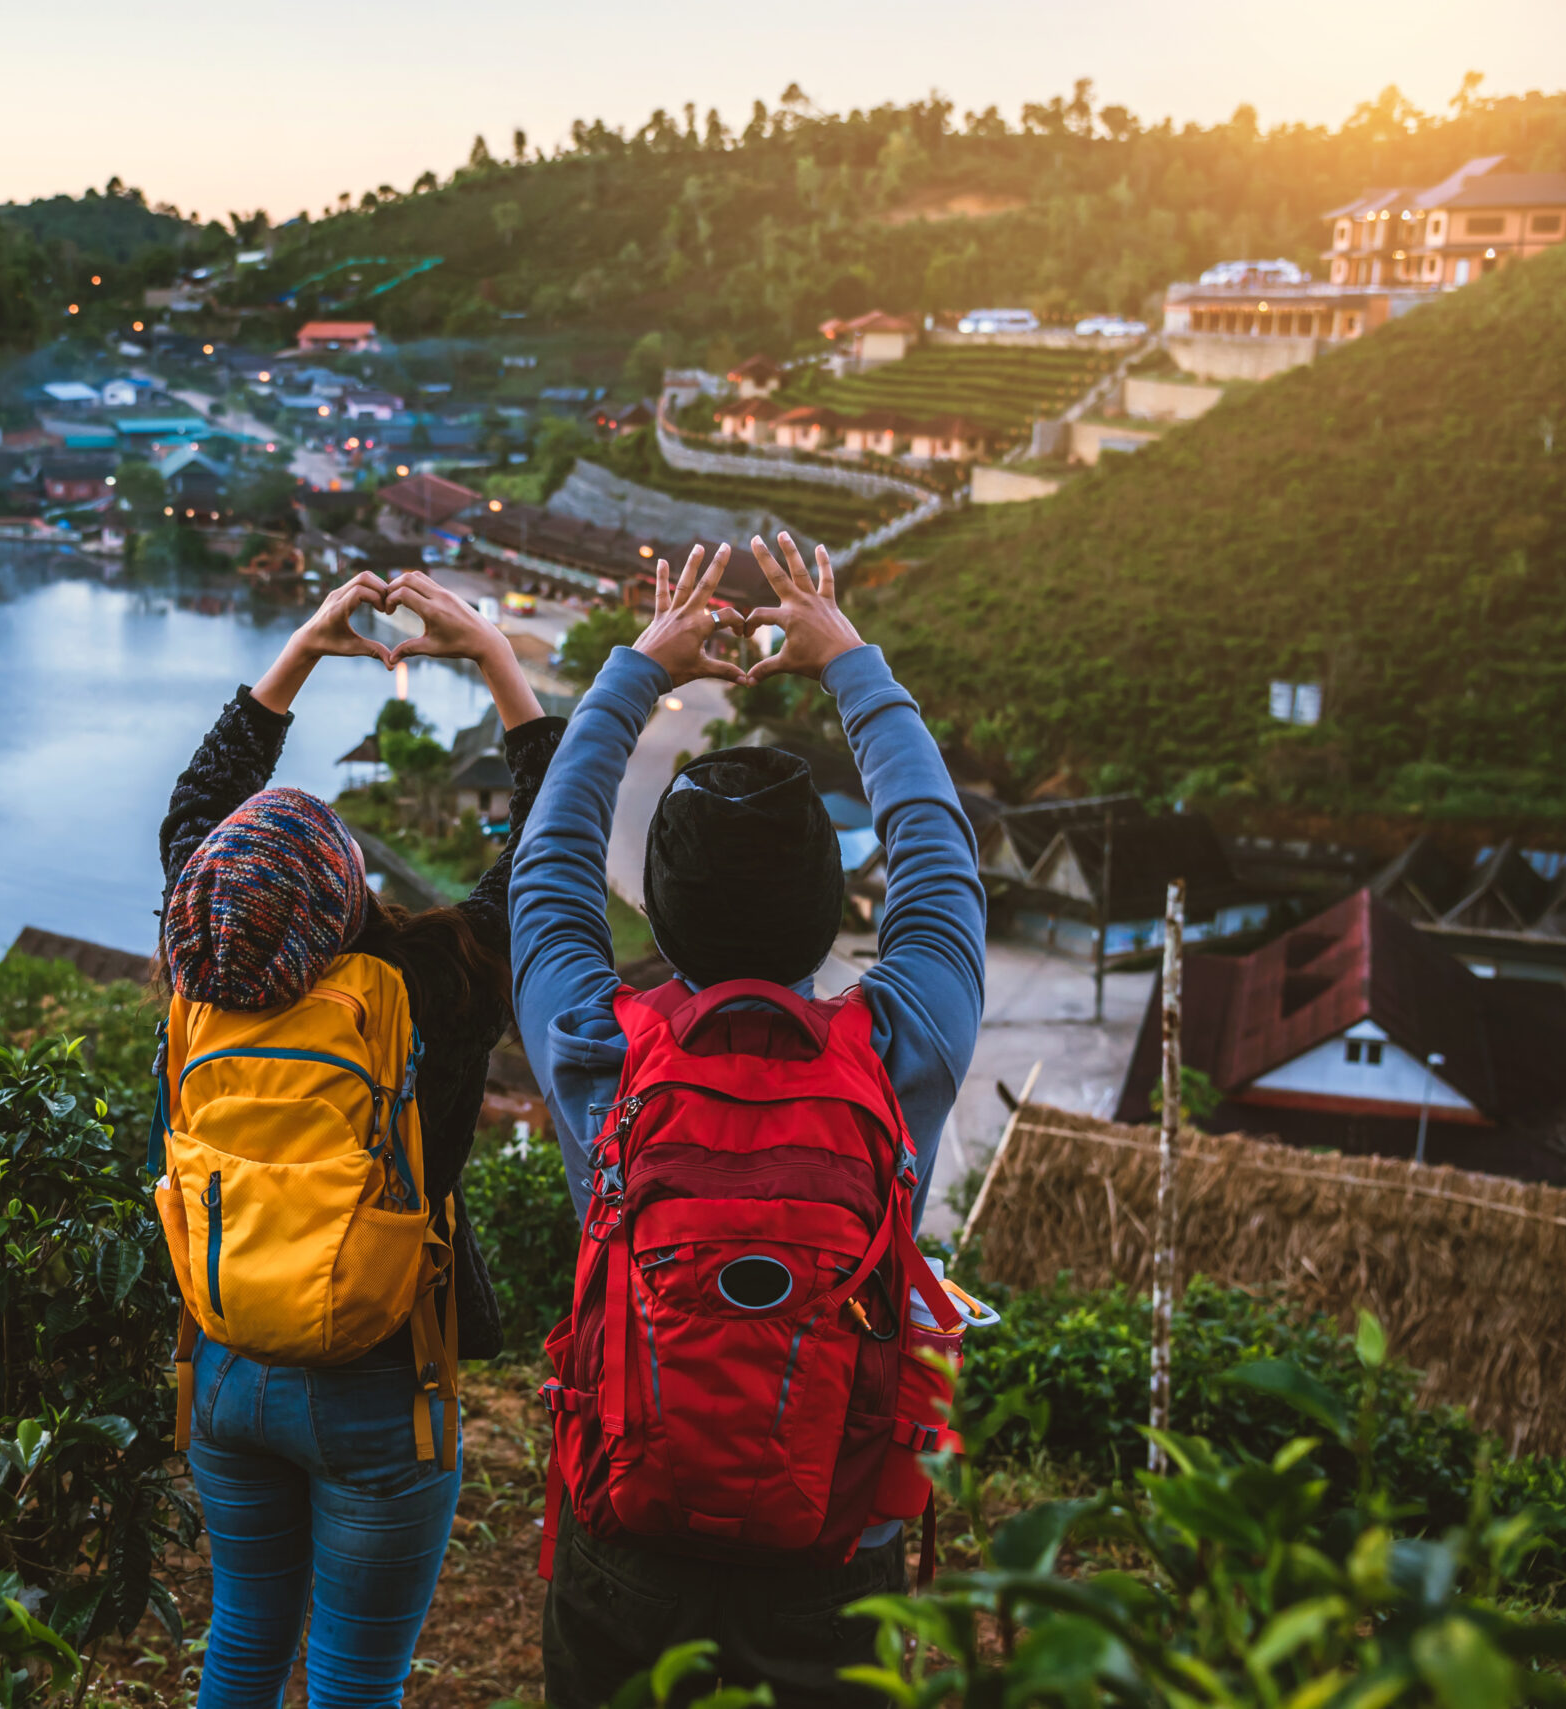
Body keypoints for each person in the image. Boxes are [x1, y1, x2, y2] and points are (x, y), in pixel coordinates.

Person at [507, 534, 986, 1708]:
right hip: (831, 1536)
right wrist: (850, 662)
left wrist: (639, 669)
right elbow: (937, 859)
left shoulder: (596, 1045)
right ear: (830, 913)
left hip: (627, 1526)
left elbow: (548, 860)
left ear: (661, 910)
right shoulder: (896, 1044)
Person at [157, 569, 566, 1709]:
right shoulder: (432, 979)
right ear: (345, 892)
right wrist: (492, 656)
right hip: (380, 1377)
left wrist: (296, 650)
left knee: (239, 1643)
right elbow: (550, 838)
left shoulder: (207, 973)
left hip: (228, 1357)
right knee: (353, 1682)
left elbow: (198, 815)